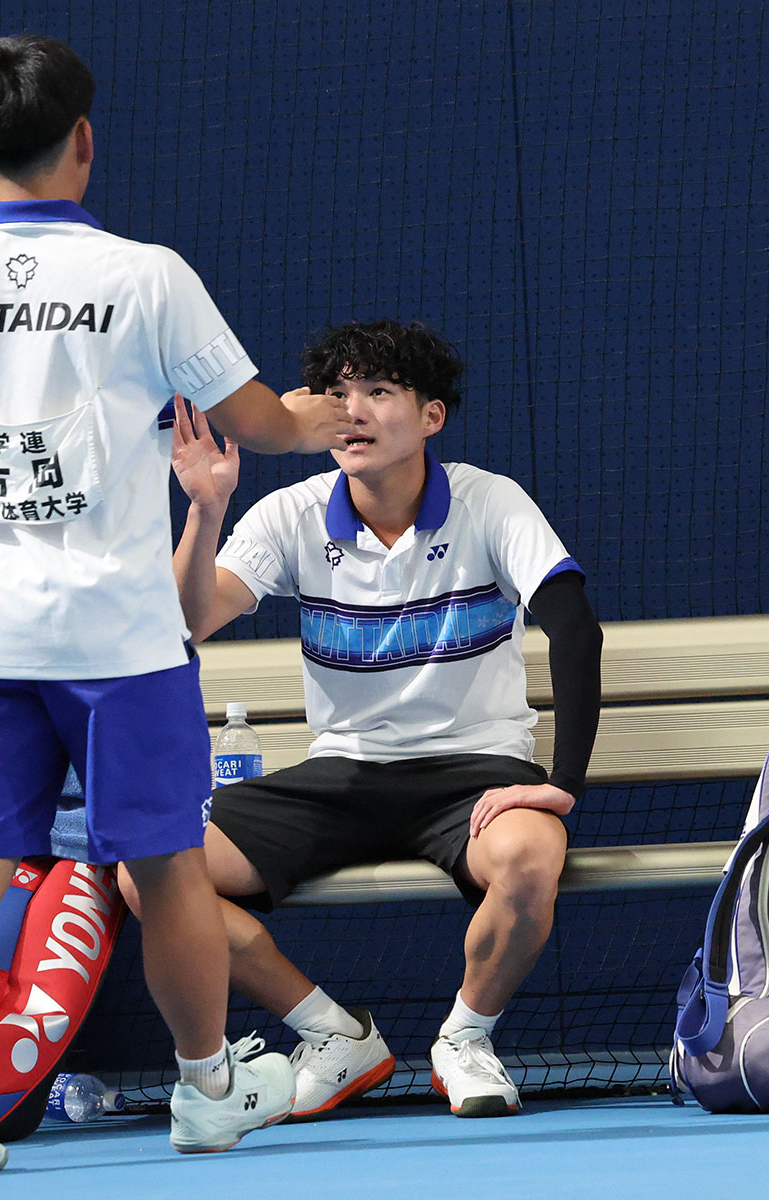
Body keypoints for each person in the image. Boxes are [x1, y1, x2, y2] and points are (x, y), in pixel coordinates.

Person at [0, 35, 354, 1173]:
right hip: (123, 642)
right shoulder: (147, 275)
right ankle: (207, 1088)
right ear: (85, 139)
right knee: (169, 864)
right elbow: (264, 422)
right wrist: (330, 414)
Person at [168, 319, 603, 1119]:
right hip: (343, 774)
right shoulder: (291, 514)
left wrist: (563, 784)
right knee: (152, 871)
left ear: (432, 416)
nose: (354, 411)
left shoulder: (488, 502)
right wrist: (206, 509)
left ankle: (466, 1038)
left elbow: (575, 627)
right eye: (338, 395)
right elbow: (183, 624)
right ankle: (333, 1034)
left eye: (378, 391)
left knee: (531, 857)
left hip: (473, 774)